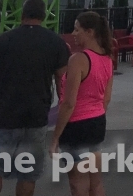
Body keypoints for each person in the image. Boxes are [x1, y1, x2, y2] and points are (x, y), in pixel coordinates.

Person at [0, 0, 71, 196]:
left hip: (4, 116)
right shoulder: (55, 43)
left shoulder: (4, 40)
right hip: (36, 117)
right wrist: (65, 114)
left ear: (22, 15)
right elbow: (64, 84)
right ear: (43, 16)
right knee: (27, 175)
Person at [49, 11, 114, 196]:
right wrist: (96, 116)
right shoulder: (107, 59)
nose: (74, 34)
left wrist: (55, 137)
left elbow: (69, 102)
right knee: (96, 183)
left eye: (77, 30)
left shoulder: (78, 60)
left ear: (90, 32)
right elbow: (106, 98)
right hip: (97, 122)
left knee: (78, 185)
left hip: (76, 127)